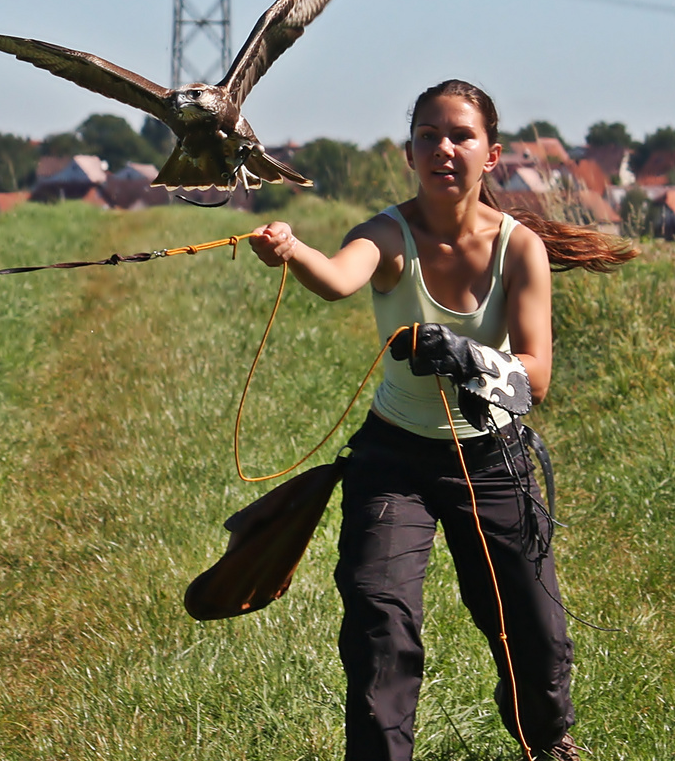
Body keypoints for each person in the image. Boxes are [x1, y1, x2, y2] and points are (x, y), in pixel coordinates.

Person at [249, 79, 635, 761]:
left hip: (493, 459)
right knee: (379, 627)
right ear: (409, 153)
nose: (443, 148)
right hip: (392, 463)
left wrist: (461, 355)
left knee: (533, 637)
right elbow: (339, 277)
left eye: (460, 135)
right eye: (428, 135)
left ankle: (547, 744)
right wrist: (290, 250)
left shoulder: (519, 250)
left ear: (492, 155)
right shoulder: (386, 236)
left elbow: (535, 380)